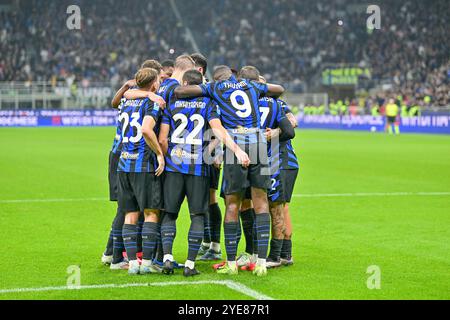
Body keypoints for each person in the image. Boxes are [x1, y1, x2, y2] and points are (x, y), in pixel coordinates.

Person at [175, 65, 285, 277]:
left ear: (216, 79)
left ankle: (232, 263)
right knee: (261, 202)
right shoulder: (251, 85)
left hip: (236, 144)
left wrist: (204, 86)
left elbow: (181, 92)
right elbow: (279, 89)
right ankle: (261, 263)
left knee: (232, 204)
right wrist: (261, 86)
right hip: (259, 143)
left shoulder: (216, 87)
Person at [158, 69, 250, 277]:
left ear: (186, 84)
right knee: (198, 215)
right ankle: (190, 264)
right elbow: (218, 131)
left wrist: (165, 157)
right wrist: (236, 149)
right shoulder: (209, 104)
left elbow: (163, 138)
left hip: (174, 166)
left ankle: (167, 259)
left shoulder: (172, 102)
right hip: (198, 167)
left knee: (170, 214)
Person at [117, 68, 165, 275]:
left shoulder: (126, 101)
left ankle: (132, 264)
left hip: (123, 163)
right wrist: (160, 154)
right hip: (143, 164)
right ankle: (146, 262)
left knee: (130, 214)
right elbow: (146, 129)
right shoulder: (151, 101)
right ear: (154, 83)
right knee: (151, 213)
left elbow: (125, 94)